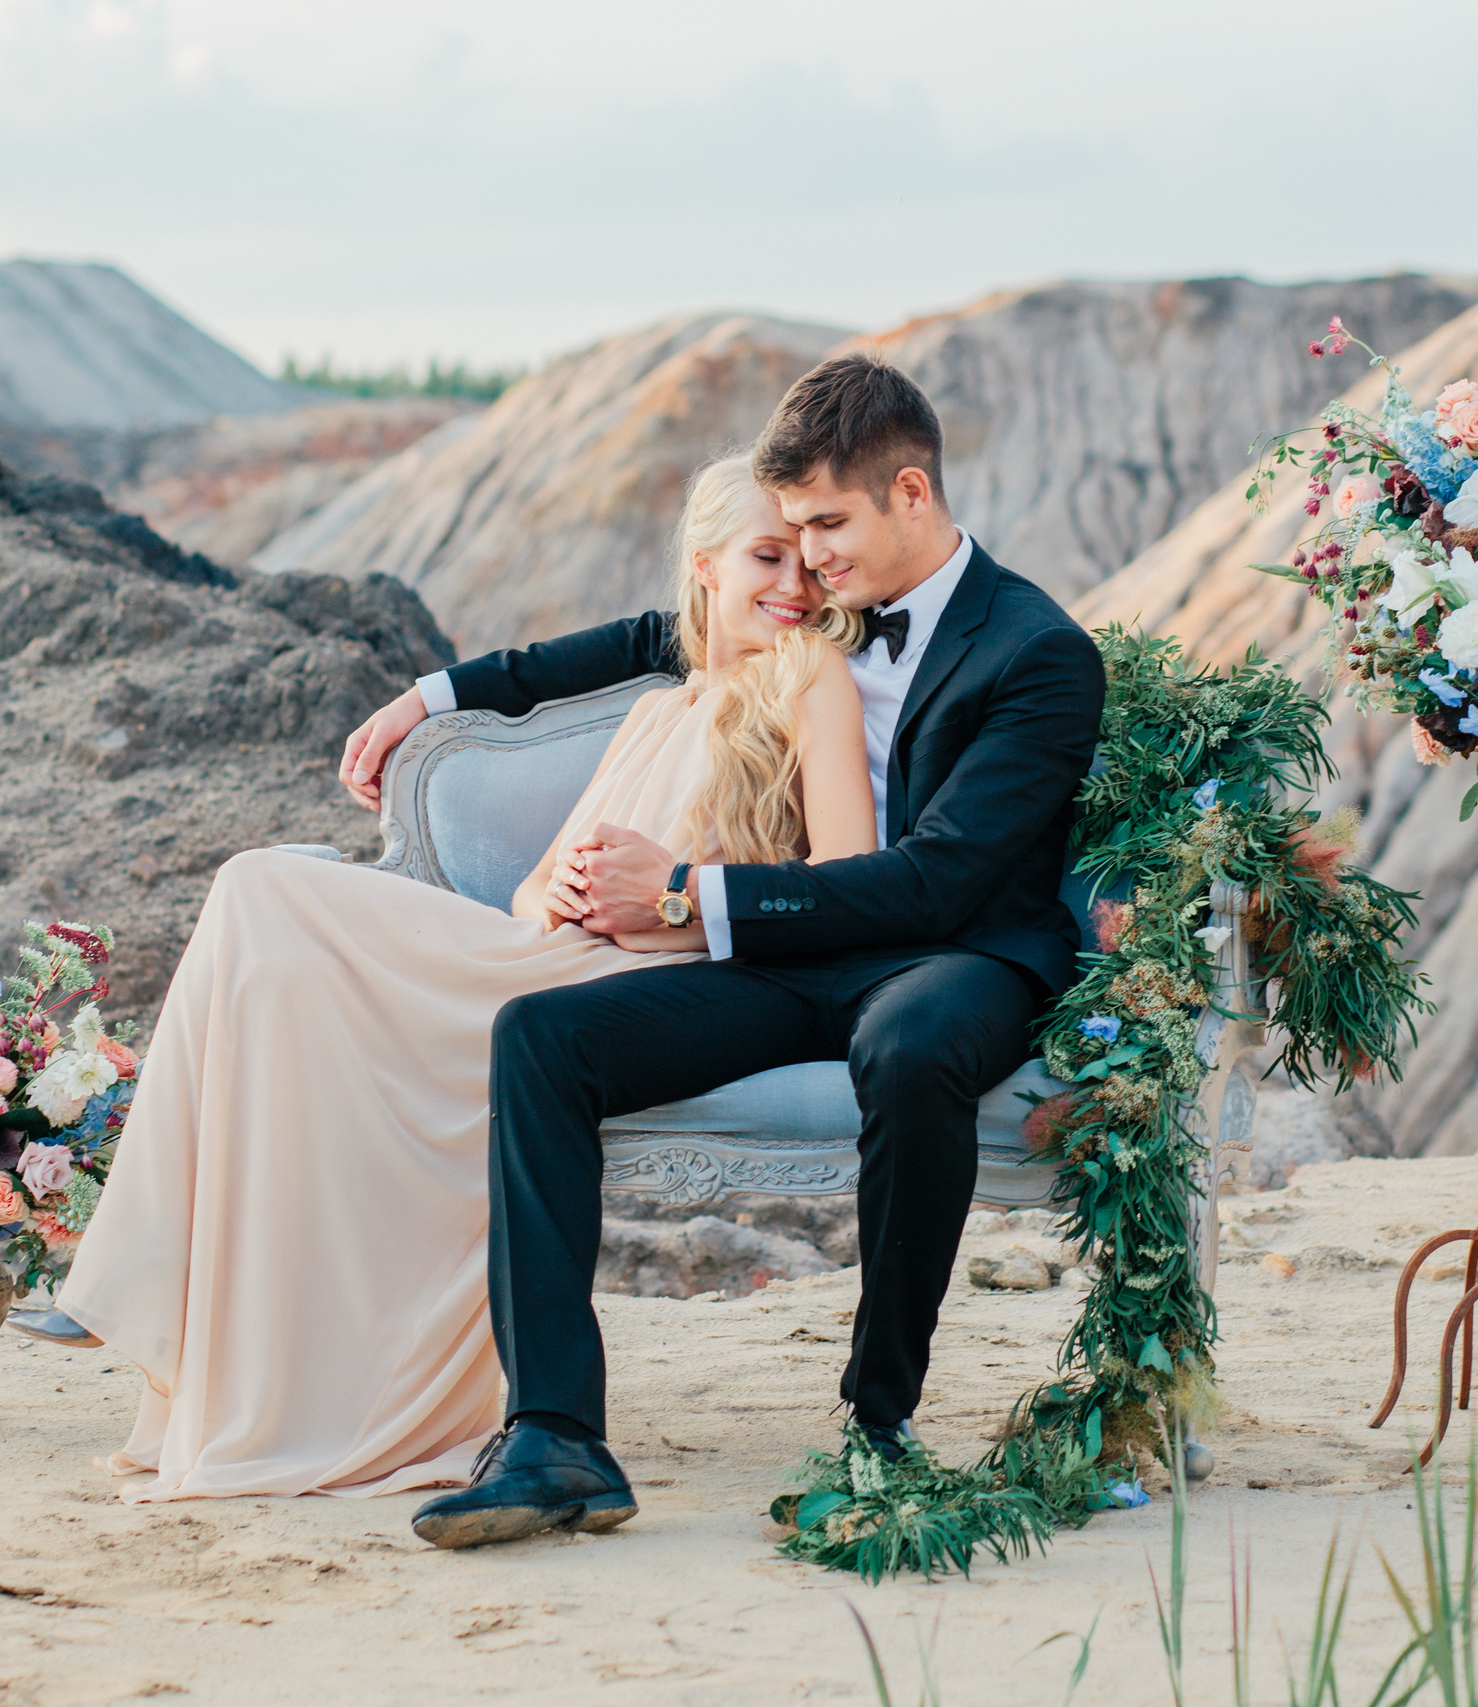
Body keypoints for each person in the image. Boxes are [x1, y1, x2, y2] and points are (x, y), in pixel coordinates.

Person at [337, 355, 1106, 1550]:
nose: (808, 559)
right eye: (790, 532)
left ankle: (878, 1424)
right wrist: (431, 697)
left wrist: (692, 895)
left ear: (911, 494)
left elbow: (945, 879)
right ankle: (554, 1437)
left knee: (908, 1046)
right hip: (789, 958)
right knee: (540, 1037)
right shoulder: (818, 604)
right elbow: (642, 634)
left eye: (828, 525)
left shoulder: (1039, 652)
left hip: (954, 955)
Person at [7, 456, 876, 1507]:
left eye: (808, 565)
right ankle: (161, 1289)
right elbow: (526, 905)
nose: (792, 586)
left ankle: (131, 1275)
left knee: (269, 901)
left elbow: (843, 888)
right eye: (764, 557)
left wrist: (677, 896)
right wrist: (551, 884)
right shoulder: (659, 711)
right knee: (258, 903)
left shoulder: (810, 682)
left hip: (634, 980)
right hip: (543, 949)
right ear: (707, 566)